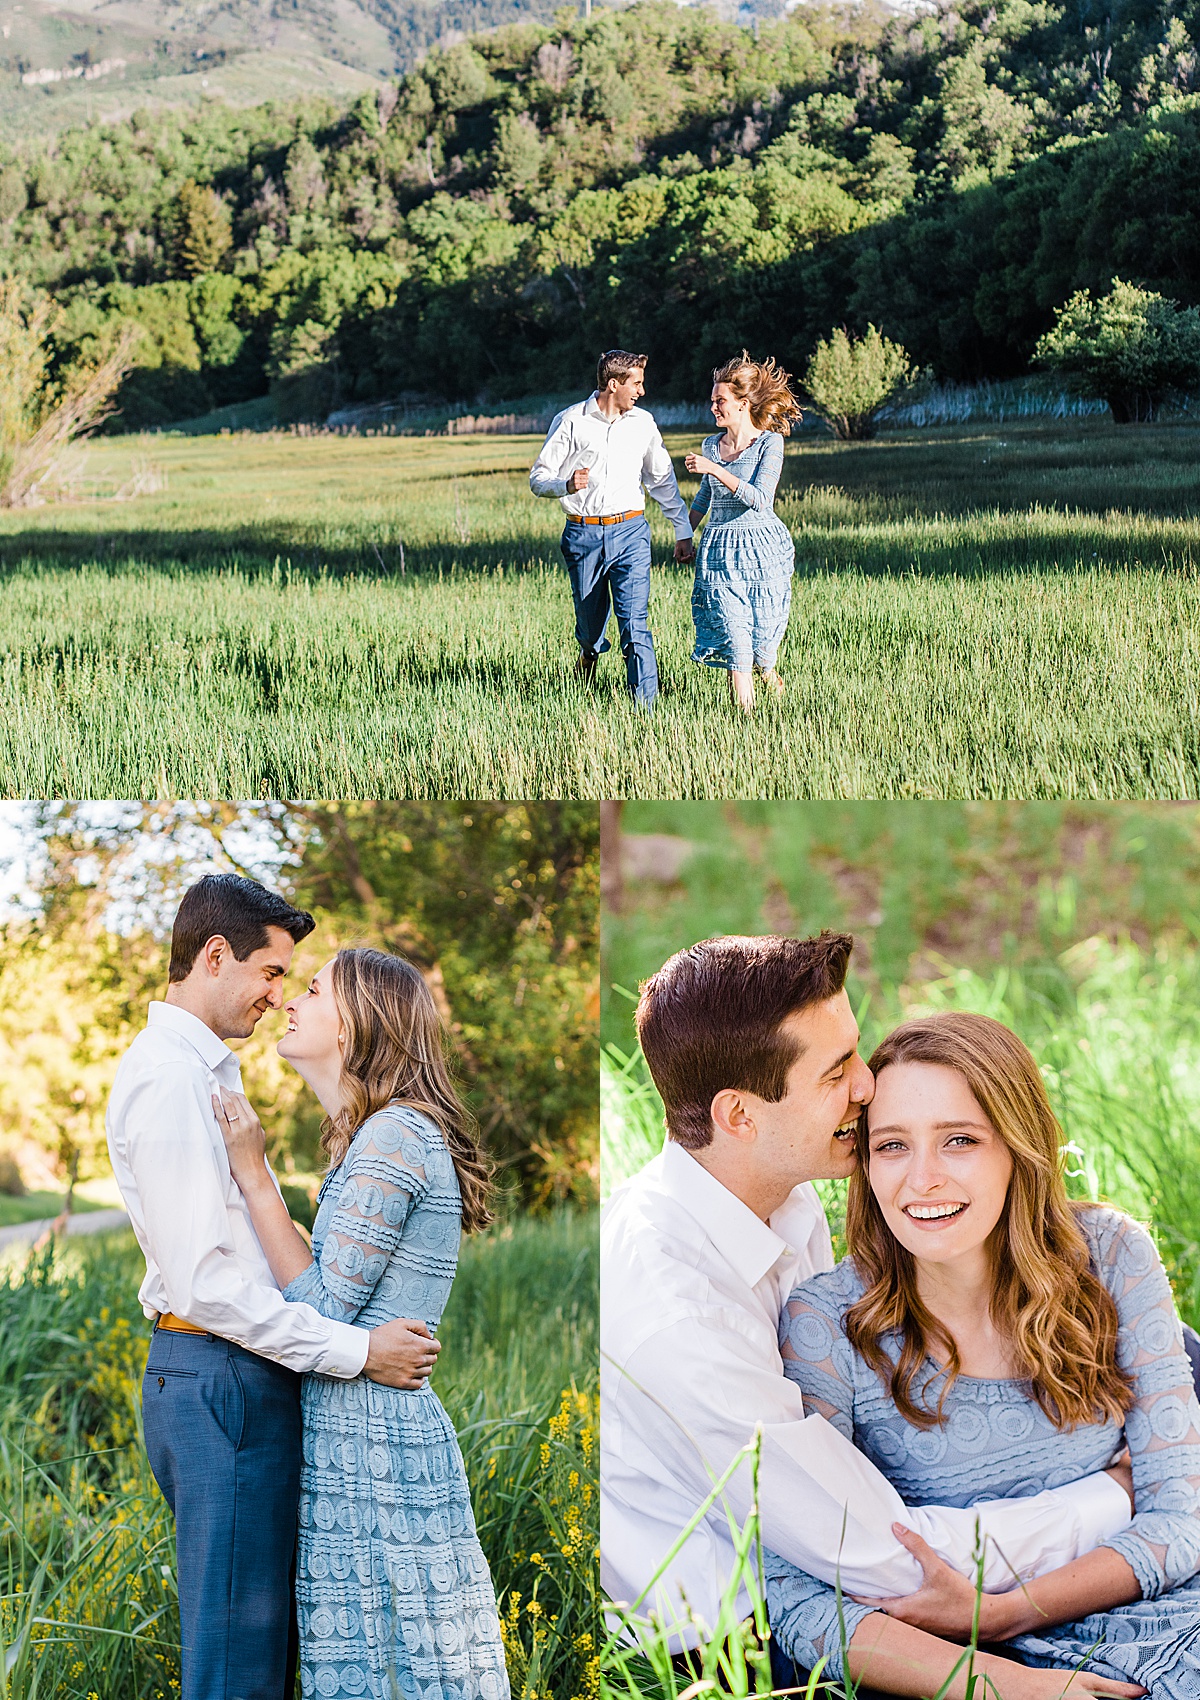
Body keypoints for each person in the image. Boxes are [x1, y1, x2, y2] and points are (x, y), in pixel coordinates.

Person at [600, 932, 1140, 1696]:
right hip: (744, 1647)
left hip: (840, 1563)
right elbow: (885, 1554)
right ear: (739, 1115)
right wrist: (1116, 1492)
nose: (866, 1085)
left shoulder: (774, 1200)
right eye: (836, 1071)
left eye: (854, 1053)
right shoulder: (678, 1319)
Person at [768, 1010, 1200, 1700]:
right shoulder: (827, 1322)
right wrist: (1001, 1679)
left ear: (1017, 1148)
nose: (922, 1180)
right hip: (981, 1670)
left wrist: (997, 1612)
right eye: (893, 1146)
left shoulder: (1113, 1255)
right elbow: (792, 1595)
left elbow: (1184, 1518)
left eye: (960, 1140)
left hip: (1172, 1611)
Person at [106, 874, 441, 1700]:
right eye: (272, 972)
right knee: (233, 1663)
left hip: (243, 1376)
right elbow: (206, 1283)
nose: (277, 995)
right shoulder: (170, 1078)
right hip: (217, 1374)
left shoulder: (208, 1074)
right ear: (216, 957)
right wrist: (356, 1351)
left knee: (262, 1660)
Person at [212, 947, 509, 1700]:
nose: (290, 1001)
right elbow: (342, 1295)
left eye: (311, 990)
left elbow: (319, 1310)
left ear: (354, 1026)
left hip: (375, 1440)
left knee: (394, 1666)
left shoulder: (395, 1137)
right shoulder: (373, 1136)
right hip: (358, 1426)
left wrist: (253, 1174)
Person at [529, 348, 695, 708]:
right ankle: (588, 653)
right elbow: (538, 478)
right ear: (613, 383)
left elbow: (662, 481)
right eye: (636, 383)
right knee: (590, 627)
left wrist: (682, 529)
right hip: (582, 534)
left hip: (631, 531)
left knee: (634, 623)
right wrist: (566, 485)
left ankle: (645, 709)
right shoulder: (571, 421)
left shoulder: (643, 424)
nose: (642, 391)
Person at [684, 352, 801, 713]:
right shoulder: (710, 446)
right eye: (712, 400)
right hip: (719, 550)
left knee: (761, 641)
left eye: (720, 401)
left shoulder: (769, 443)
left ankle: (769, 674)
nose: (714, 407)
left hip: (763, 550)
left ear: (743, 403)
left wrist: (716, 470)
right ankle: (745, 720)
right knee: (736, 637)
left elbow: (761, 499)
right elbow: (705, 497)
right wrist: (684, 535)